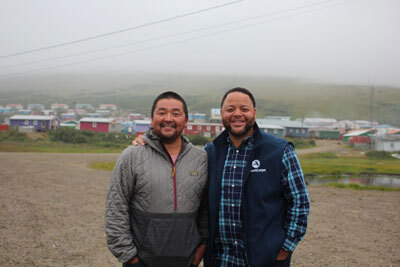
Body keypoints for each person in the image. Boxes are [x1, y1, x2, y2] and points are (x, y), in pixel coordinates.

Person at [132, 87, 310, 267]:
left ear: (254, 113)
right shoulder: (210, 153)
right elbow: (179, 163)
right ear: (222, 113)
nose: (237, 114)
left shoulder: (279, 151)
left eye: (244, 109)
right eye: (230, 109)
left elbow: (300, 202)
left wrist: (286, 248)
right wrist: (149, 141)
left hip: (264, 259)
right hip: (220, 259)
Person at [105, 91, 208, 267]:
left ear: (186, 119)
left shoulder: (201, 158)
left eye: (176, 114)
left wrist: (200, 251)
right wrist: (130, 258)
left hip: (187, 261)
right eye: (161, 113)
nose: (168, 118)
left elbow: (205, 210)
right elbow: (116, 207)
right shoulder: (132, 156)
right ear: (151, 118)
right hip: (141, 262)